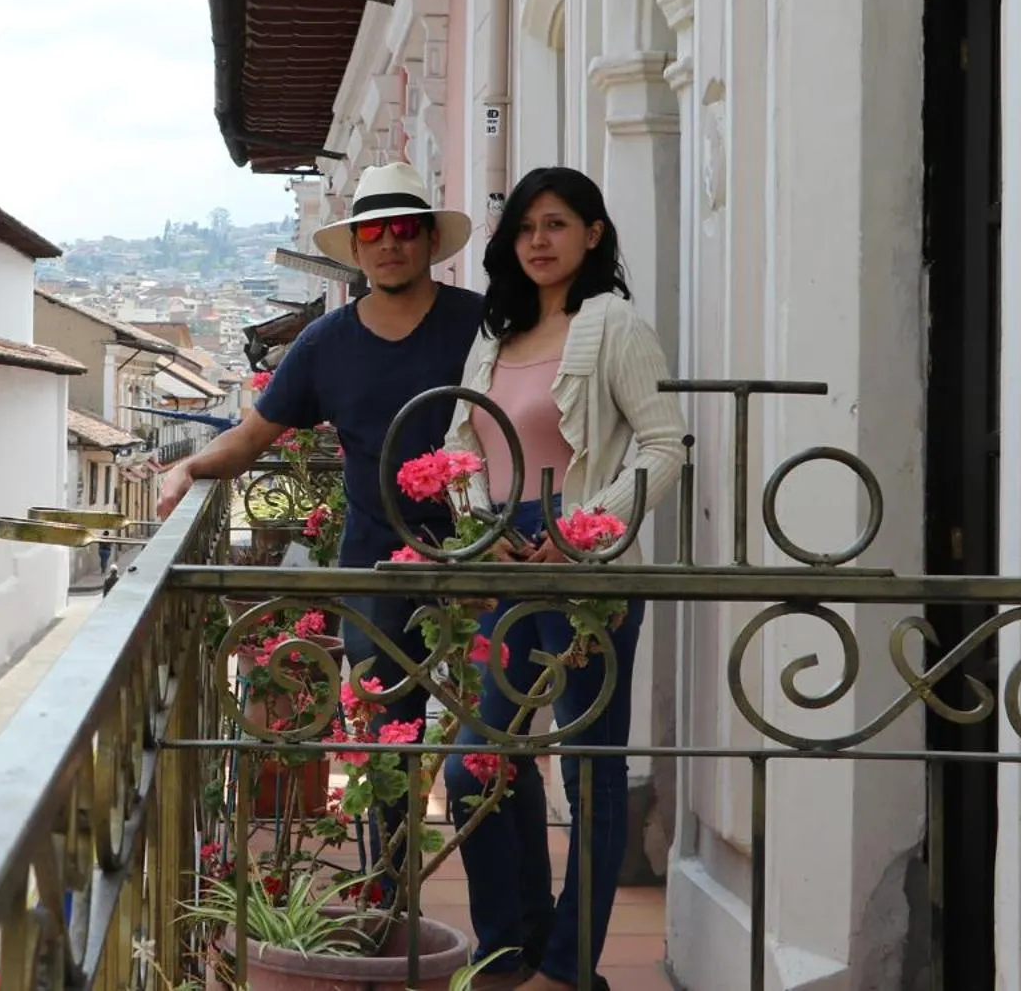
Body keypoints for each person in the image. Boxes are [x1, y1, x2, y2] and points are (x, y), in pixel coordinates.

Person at [152, 161, 482, 902]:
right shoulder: (327, 342)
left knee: (489, 741)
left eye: (404, 229)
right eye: (374, 231)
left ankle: (510, 927)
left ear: (429, 239)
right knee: (387, 739)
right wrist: (189, 469)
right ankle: (389, 897)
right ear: (356, 247)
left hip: (478, 553)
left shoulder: (479, 325)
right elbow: (252, 437)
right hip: (373, 564)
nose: (389, 243)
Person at [438, 167, 686, 991]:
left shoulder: (613, 324)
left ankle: (570, 968)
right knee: (477, 763)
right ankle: (510, 945)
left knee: (588, 771)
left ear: (593, 233)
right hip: (503, 556)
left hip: (584, 569)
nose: (538, 240)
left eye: (555, 223)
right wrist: (480, 527)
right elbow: (461, 444)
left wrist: (586, 529)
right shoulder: (494, 333)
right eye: (524, 227)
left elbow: (664, 444)